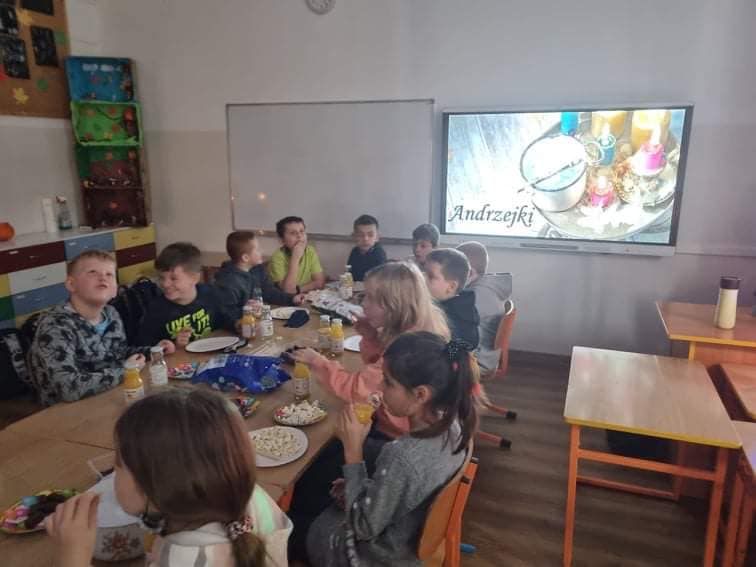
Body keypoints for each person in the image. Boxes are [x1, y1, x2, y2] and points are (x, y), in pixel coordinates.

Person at [287, 261, 449, 558]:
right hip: (395, 462)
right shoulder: (421, 342)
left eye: (371, 298)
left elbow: (364, 525)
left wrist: (354, 455)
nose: (363, 303)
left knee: (311, 469)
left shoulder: (402, 456)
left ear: (394, 306)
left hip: (359, 550)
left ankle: (299, 521)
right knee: (322, 461)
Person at [45, 388, 292, 567]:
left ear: (156, 486)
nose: (113, 473)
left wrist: (72, 558)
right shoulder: (246, 496)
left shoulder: (180, 560)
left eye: (118, 466)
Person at [305, 332, 479, 566]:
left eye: (387, 382)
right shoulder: (454, 424)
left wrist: (353, 450)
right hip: (408, 535)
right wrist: (362, 486)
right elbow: (407, 488)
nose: (379, 386)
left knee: (300, 524)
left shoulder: (401, 456)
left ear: (420, 394)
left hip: (377, 557)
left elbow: (362, 527)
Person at [28, 250, 175, 406]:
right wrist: (127, 371)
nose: (103, 278)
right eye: (92, 272)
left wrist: (154, 352)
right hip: (69, 410)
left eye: (109, 274)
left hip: (112, 394)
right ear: (71, 284)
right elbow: (69, 388)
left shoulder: (111, 313)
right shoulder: (55, 326)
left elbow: (118, 353)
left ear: (115, 289)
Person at [137, 242, 237, 347]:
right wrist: (173, 345)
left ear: (195, 278)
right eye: (161, 278)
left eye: (173, 278)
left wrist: (237, 324)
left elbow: (226, 318)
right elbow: (144, 345)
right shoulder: (156, 309)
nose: (165, 284)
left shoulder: (211, 294)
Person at [214, 231, 305, 320]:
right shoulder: (228, 282)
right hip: (238, 325)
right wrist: (246, 310)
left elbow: (270, 293)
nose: (262, 251)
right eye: (258, 249)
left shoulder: (258, 269)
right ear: (245, 258)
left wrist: (292, 299)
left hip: (255, 321)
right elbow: (225, 314)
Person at [456, 241, 513, 374]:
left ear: (469, 273)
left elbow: (454, 328)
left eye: (454, 271)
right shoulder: (487, 288)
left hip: (477, 361)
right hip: (486, 355)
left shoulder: (476, 296)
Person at [425, 248, 480, 347]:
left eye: (430, 276)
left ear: (451, 287)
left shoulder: (456, 318)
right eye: (423, 272)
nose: (422, 278)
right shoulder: (444, 301)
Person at [267, 216, 325, 294]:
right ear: (282, 240)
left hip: (303, 295)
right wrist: (295, 258)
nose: (299, 235)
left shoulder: (310, 251)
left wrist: (298, 289)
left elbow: (320, 282)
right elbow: (288, 290)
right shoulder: (277, 257)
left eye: (302, 231)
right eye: (293, 233)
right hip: (284, 299)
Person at [346, 214, 387, 281]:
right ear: (354, 236)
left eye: (370, 235)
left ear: (377, 237)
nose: (365, 239)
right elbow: (349, 274)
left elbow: (378, 281)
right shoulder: (354, 251)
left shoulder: (379, 254)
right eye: (360, 235)